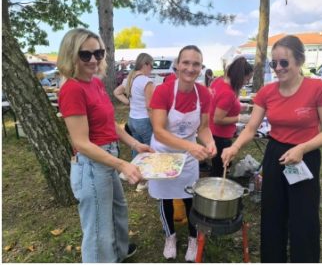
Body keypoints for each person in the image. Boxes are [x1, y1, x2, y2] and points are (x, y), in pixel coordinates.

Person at [221, 36, 322, 263]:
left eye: (284, 62)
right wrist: (234, 147)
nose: (278, 68)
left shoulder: (318, 89)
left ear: (300, 61)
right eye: (274, 63)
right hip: (275, 154)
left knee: (304, 216)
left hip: (305, 156)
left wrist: (302, 148)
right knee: (273, 213)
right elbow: (251, 127)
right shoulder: (267, 92)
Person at [57, 28, 149, 263]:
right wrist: (122, 165)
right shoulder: (72, 89)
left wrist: (135, 143)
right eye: (85, 54)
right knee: (99, 228)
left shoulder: (95, 83)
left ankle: (118, 253)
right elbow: (81, 143)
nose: (94, 59)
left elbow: (111, 124)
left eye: (98, 53)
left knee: (118, 210)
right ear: (71, 54)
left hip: (107, 159)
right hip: (92, 165)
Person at [148, 45, 213, 262]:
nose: (190, 68)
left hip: (188, 156)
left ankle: (193, 239)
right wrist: (190, 146)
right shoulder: (163, 91)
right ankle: (170, 236)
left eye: (196, 64)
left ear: (201, 68)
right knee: (165, 197)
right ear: (177, 65)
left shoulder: (204, 94)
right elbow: (159, 130)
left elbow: (203, 128)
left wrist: (210, 142)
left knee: (190, 197)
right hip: (163, 152)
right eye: (186, 62)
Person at [209, 57, 253, 178]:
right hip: (220, 135)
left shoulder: (219, 80)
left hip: (212, 131)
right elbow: (218, 119)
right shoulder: (228, 93)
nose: (247, 82)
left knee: (217, 163)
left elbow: (217, 104)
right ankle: (216, 187)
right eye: (247, 79)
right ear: (239, 76)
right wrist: (240, 118)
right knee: (220, 168)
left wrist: (239, 106)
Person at [112, 52, 155, 151]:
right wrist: (156, 125)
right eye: (152, 66)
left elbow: (116, 92)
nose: (152, 69)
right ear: (146, 64)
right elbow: (149, 107)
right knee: (150, 150)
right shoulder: (147, 81)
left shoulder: (129, 79)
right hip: (144, 120)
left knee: (137, 149)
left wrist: (129, 102)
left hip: (132, 120)